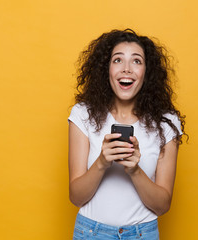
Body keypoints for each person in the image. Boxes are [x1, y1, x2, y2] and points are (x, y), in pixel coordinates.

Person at [68, 29, 186, 240]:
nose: (127, 69)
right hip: (91, 233)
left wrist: (134, 170)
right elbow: (76, 197)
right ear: (107, 69)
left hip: (143, 234)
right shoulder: (82, 115)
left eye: (137, 61)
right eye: (118, 60)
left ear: (147, 73)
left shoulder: (166, 123)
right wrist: (102, 163)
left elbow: (162, 205)